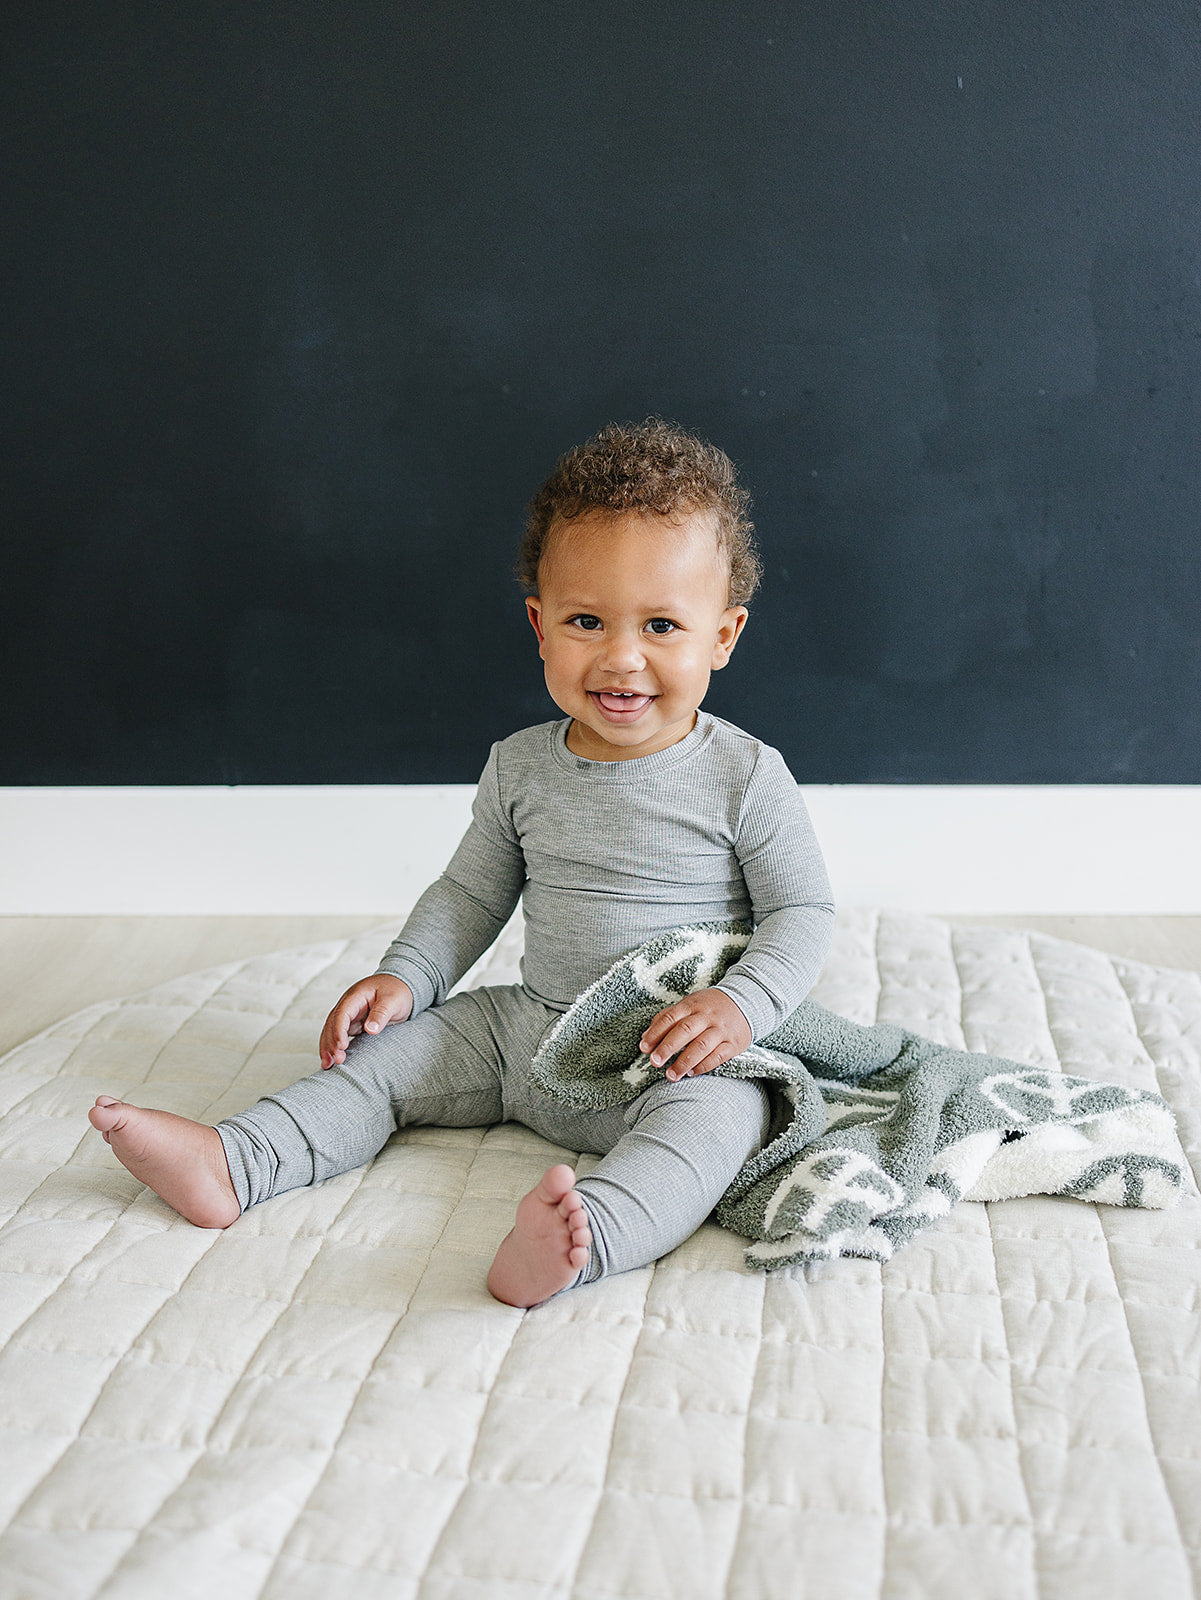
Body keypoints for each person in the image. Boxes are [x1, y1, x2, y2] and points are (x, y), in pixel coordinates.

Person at [89, 419, 835, 1306]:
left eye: (662, 625)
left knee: (717, 1129)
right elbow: (471, 889)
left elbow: (803, 914)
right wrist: (407, 979)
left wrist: (737, 1007)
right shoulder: (520, 765)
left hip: (667, 1054)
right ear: (540, 625)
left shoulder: (743, 774)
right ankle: (238, 1160)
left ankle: (578, 1239)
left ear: (723, 636)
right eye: (586, 620)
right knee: (387, 1062)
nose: (621, 657)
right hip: (527, 1031)